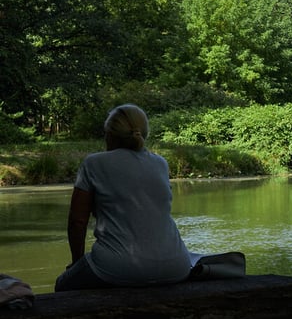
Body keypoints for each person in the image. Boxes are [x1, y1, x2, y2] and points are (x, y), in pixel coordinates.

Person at [54, 104, 192, 291]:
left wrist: (77, 263)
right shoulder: (161, 163)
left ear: (110, 135)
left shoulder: (93, 163)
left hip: (117, 267)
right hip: (177, 266)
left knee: (62, 285)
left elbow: (77, 221)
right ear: (144, 133)